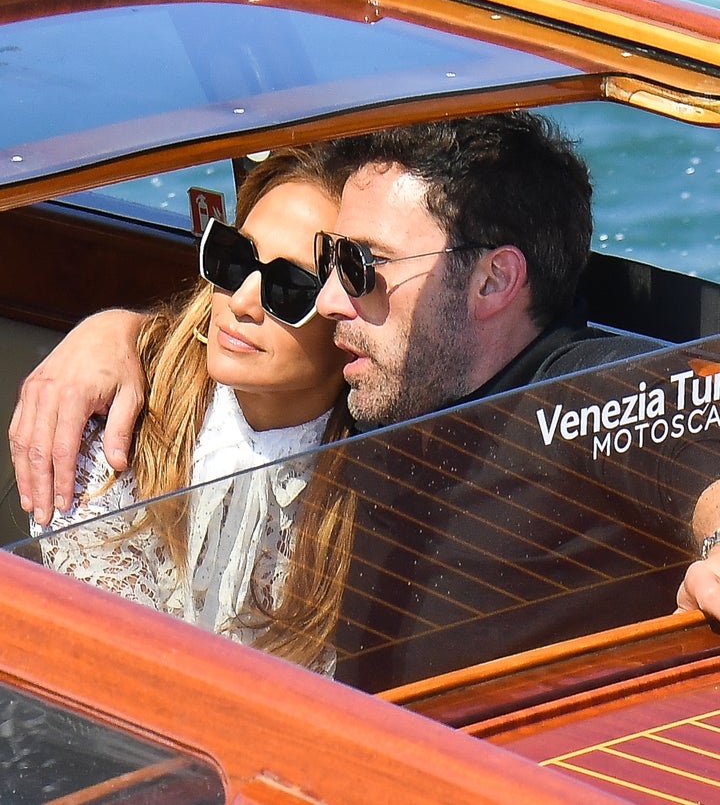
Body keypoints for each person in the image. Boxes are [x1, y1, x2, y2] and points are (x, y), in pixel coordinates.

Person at [11, 114, 720, 681]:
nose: (327, 300)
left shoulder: (583, 390)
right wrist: (117, 333)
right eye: (331, 266)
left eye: (361, 265)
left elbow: (688, 439)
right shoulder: (383, 392)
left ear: (492, 282)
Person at [25, 144, 356, 674]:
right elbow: (111, 667)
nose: (242, 301)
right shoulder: (120, 419)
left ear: (350, 316)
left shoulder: (386, 467)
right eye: (234, 257)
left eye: (290, 286)